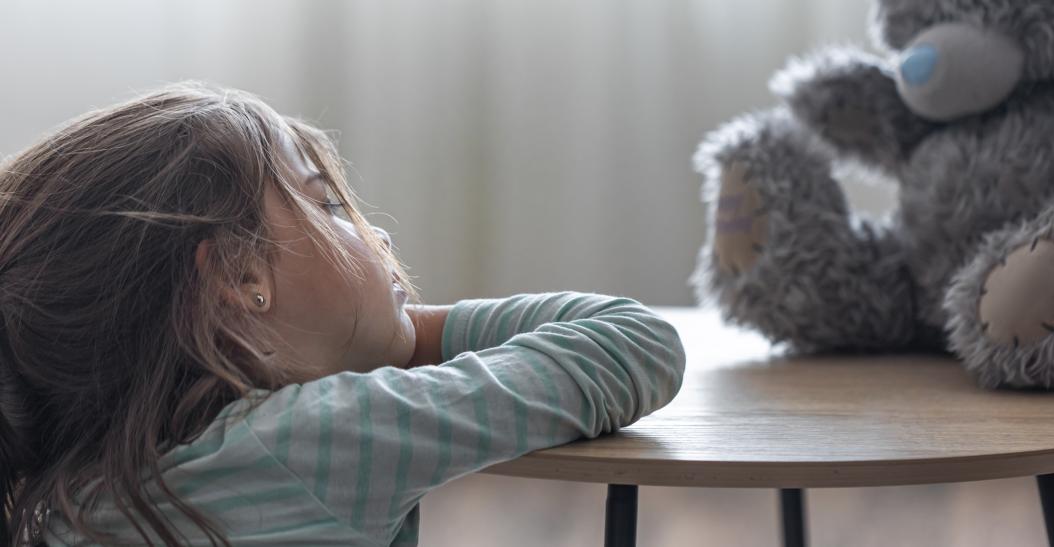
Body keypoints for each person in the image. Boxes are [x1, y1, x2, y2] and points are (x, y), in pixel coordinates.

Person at [0, 81, 687, 546]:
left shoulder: (63, 491)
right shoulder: (327, 437)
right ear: (242, 279)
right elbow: (633, 343)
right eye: (327, 203)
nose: (377, 235)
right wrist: (415, 336)